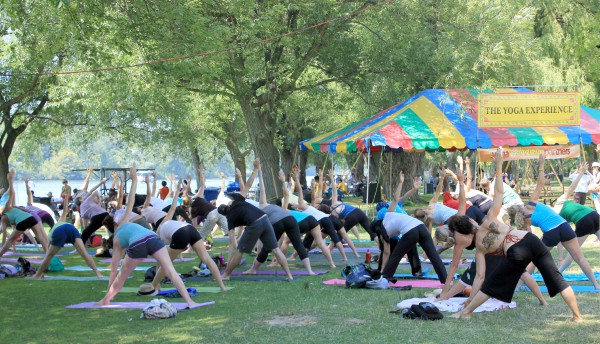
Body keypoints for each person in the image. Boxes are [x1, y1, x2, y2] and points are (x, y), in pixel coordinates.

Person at [450, 148, 582, 321]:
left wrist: (469, 301)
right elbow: (498, 193)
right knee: (558, 279)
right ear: (472, 223)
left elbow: (480, 278)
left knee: (491, 284)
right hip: (531, 240)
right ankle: (577, 316)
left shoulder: (480, 249)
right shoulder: (490, 219)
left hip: (516, 250)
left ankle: (466, 313)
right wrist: (498, 166)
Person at [99, 164, 199, 308]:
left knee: (122, 276)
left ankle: (106, 300)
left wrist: (108, 291)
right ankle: (190, 302)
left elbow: (114, 269)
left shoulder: (116, 239)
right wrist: (133, 180)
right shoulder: (125, 220)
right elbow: (130, 201)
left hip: (139, 243)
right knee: (171, 271)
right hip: (153, 238)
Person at [507, 154, 600, 290]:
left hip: (551, 232)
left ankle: (519, 285)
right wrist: (542, 165)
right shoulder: (531, 205)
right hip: (564, 227)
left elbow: (530, 238)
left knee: (535, 259)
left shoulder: (525, 220)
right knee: (579, 258)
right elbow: (540, 184)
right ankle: (596, 285)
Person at [152, 179, 227, 292]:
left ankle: (152, 286)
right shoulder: (166, 222)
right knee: (206, 258)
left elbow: (161, 261)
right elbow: (173, 207)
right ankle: (222, 287)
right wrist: (177, 190)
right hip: (190, 229)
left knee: (166, 262)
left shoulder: (157, 235)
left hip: (180, 233)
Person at [374, 171, 448, 284]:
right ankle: (445, 279)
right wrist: (400, 182)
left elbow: (387, 253)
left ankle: (385, 278)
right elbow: (396, 199)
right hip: (420, 226)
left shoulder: (384, 229)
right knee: (433, 256)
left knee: (396, 256)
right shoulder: (388, 214)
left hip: (411, 231)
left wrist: (382, 268)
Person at [243, 164, 315, 275]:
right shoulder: (268, 205)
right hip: (290, 219)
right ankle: (310, 271)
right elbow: (266, 190)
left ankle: (253, 269)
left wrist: (259, 171)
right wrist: (261, 172)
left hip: (279, 222)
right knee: (298, 245)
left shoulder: (256, 211)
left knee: (266, 248)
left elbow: (262, 189)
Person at [218, 190, 293, 281]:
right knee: (276, 250)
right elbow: (246, 187)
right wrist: (254, 174)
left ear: (223, 215)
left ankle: (226, 275)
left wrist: (229, 260)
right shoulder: (237, 201)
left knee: (240, 251)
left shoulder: (229, 218)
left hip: (255, 223)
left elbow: (231, 241)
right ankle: (289, 276)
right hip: (265, 218)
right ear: (228, 205)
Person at [31, 184, 103, 279]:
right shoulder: (60, 221)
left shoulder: (51, 235)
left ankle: (37, 275)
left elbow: (48, 255)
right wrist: (67, 196)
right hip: (72, 229)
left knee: (48, 256)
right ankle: (98, 274)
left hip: (61, 231)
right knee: (84, 254)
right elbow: (65, 210)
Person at [552, 162, 600, 288]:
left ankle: (558, 275)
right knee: (575, 252)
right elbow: (572, 186)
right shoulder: (560, 201)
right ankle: (559, 273)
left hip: (584, 221)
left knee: (574, 253)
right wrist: (581, 172)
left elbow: (560, 239)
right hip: (594, 215)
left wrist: (561, 258)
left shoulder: (555, 216)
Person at [0, 169, 50, 255]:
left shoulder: (5, 212)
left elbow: (5, 235)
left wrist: (10, 180)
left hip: (24, 220)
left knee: (10, 240)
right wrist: (10, 180)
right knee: (41, 238)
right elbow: (12, 193)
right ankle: (49, 257)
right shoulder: (9, 208)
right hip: (31, 217)